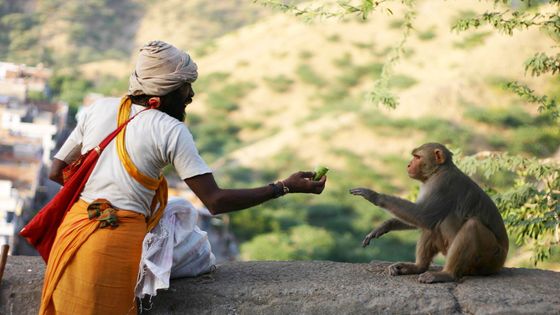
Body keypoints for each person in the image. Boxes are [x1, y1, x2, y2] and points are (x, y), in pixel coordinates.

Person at [41, 40, 326, 315]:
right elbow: (215, 201)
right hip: (114, 245)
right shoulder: (170, 130)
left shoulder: (98, 108)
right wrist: (283, 187)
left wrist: (100, 201)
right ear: (166, 91)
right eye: (185, 87)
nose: (190, 95)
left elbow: (56, 171)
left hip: (72, 234)